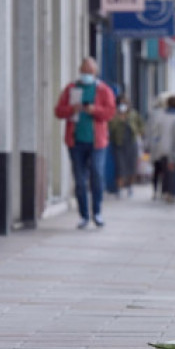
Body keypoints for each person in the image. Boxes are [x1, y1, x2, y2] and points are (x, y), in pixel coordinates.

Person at [54, 57, 116, 229]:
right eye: (84, 71)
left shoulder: (103, 90)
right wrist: (71, 109)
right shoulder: (71, 88)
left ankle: (97, 212)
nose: (86, 74)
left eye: (90, 72)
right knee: (80, 180)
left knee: (97, 175)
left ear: (95, 72)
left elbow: (110, 113)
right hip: (76, 141)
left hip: (97, 142)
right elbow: (58, 111)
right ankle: (84, 215)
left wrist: (94, 110)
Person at [146, 93, 175, 202]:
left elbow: (154, 132)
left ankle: (164, 191)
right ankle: (172, 193)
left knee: (163, 171)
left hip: (162, 148)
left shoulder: (160, 116)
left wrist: (154, 145)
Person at [108, 97, 145, 197]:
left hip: (132, 143)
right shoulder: (114, 115)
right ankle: (119, 188)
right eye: (121, 103)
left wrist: (139, 132)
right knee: (120, 167)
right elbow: (110, 128)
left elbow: (141, 125)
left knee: (131, 167)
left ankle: (130, 187)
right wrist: (119, 119)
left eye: (125, 103)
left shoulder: (133, 114)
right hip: (119, 144)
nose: (123, 106)